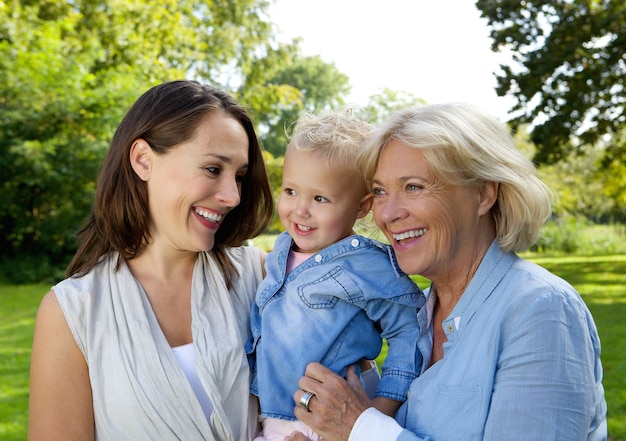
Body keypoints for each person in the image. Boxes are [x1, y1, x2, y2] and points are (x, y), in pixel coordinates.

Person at [287, 103, 608, 441]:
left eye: (413, 186)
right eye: (380, 192)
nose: (388, 214)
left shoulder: (542, 310)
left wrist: (359, 428)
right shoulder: (417, 314)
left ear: (483, 194)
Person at [28, 80, 274, 441]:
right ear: (143, 160)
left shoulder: (261, 278)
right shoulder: (73, 313)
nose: (233, 196)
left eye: (238, 176)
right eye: (212, 169)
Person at [246, 111, 425, 441]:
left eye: (320, 198)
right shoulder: (282, 251)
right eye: (290, 191)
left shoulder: (364, 264)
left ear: (361, 206)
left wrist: (382, 407)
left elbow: (410, 327)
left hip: (323, 423)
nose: (300, 209)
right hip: (269, 416)